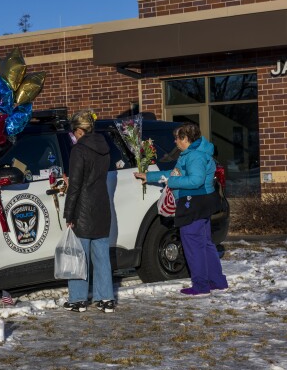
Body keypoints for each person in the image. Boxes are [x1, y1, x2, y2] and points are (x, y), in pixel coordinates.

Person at [134, 123, 228, 296]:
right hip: (202, 203)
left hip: (193, 203)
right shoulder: (194, 153)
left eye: (177, 138)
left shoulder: (195, 156)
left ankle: (200, 286)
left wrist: (171, 182)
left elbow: (195, 181)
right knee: (205, 243)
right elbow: (177, 172)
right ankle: (217, 281)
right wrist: (149, 176)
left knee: (193, 244)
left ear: (185, 138)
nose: (175, 141)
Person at [63, 110, 116, 313]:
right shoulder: (105, 148)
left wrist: (69, 213)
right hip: (102, 205)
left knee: (79, 257)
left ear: (79, 130)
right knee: (102, 255)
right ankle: (106, 299)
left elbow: (75, 185)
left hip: (83, 208)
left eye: (74, 131)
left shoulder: (79, 150)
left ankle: (78, 299)